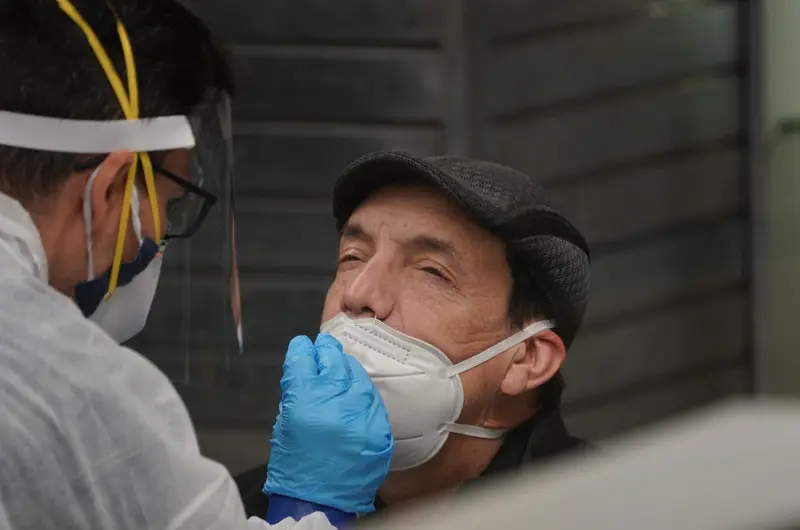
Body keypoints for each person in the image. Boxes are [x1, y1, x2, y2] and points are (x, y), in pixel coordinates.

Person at [0, 0, 392, 528]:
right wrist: (313, 507)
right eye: (171, 203)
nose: (363, 294)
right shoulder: (62, 387)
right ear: (111, 186)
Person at [236, 151, 593, 516]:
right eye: (353, 257)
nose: (358, 294)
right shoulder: (236, 512)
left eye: (431, 271)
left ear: (528, 358)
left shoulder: (617, 509)